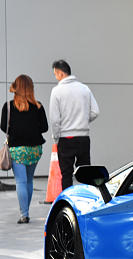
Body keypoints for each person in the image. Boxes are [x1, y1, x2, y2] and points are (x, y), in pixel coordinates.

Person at [0, 75, 48, 223]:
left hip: (16, 149)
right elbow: (44, 128)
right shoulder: (38, 106)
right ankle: (25, 211)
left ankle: (24, 214)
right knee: (29, 181)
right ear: (31, 88)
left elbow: (3, 126)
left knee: (20, 181)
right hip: (34, 149)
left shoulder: (8, 106)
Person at [49, 59, 99, 190]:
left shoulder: (57, 91)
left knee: (66, 175)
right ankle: (87, 201)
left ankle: (68, 204)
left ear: (60, 73)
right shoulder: (84, 89)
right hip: (83, 137)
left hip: (66, 138)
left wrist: (55, 138)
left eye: (55, 74)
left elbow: (55, 119)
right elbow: (95, 111)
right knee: (85, 172)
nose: (56, 77)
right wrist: (82, 120)